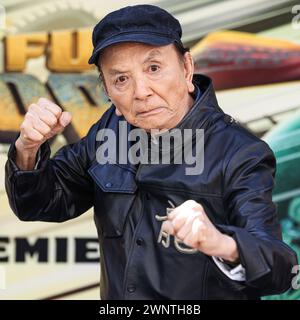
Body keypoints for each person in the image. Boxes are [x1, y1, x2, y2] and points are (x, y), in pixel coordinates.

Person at [5, 4, 297, 300]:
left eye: (153, 68)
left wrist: (222, 243)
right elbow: (40, 203)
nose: (140, 91)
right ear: (106, 89)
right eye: (121, 79)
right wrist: (27, 148)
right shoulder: (109, 131)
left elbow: (280, 270)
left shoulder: (239, 152)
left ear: (186, 68)